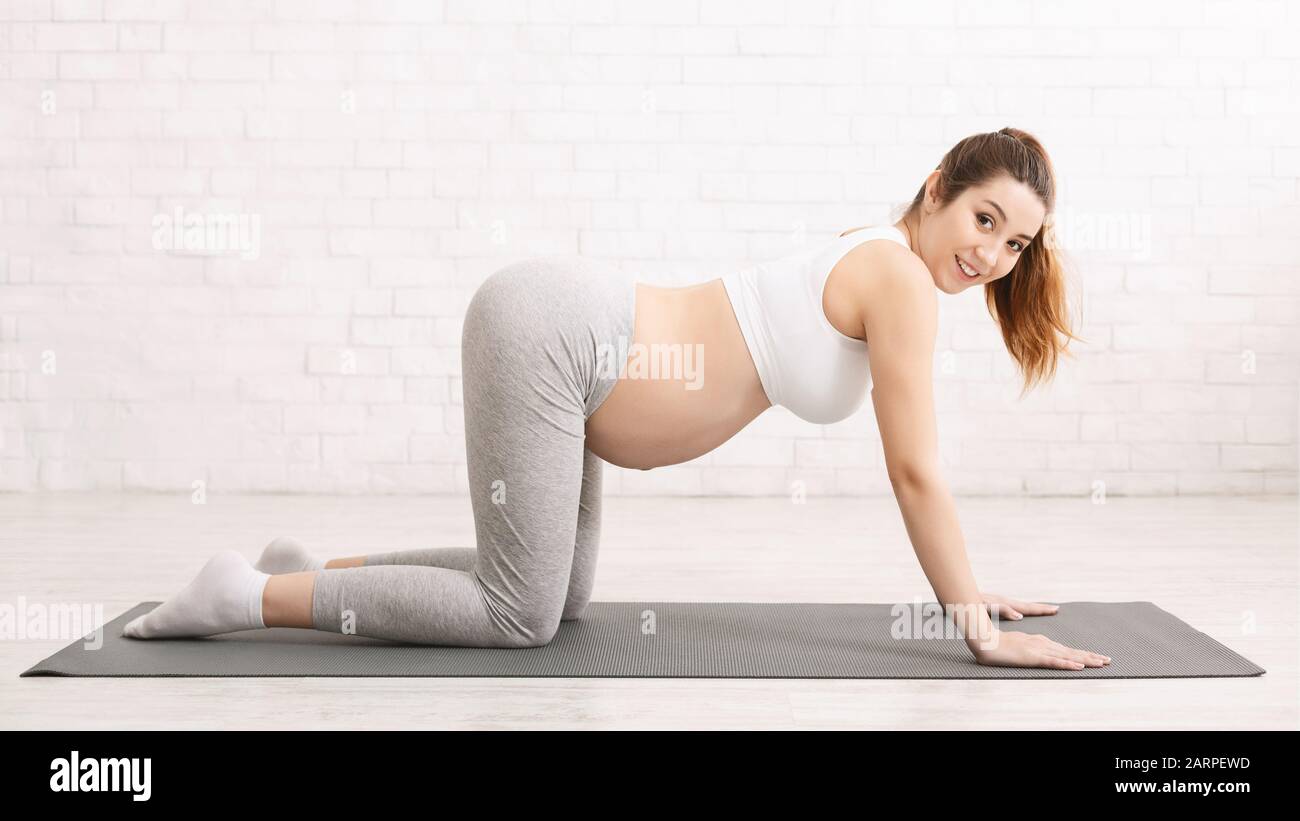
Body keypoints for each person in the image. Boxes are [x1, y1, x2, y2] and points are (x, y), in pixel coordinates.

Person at [124, 127, 1110, 671]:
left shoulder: (885, 256)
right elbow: (914, 466)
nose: (989, 254)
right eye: (984, 218)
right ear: (938, 183)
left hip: (578, 349)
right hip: (558, 338)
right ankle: (243, 595)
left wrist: (972, 591)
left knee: (560, 594)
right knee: (521, 613)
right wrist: (971, 623)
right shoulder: (895, 277)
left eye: (1014, 244)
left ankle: (310, 568)